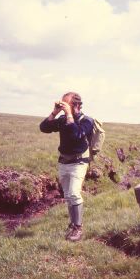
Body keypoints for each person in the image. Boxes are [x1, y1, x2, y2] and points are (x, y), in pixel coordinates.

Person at [39, 92, 93, 241]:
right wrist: (54, 112)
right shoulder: (62, 119)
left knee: (74, 193)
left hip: (78, 162)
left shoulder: (87, 121)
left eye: (66, 104)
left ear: (76, 105)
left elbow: (76, 134)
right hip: (64, 162)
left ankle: (78, 228)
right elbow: (44, 128)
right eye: (62, 104)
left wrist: (69, 115)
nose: (64, 107)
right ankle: (72, 224)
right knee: (68, 196)